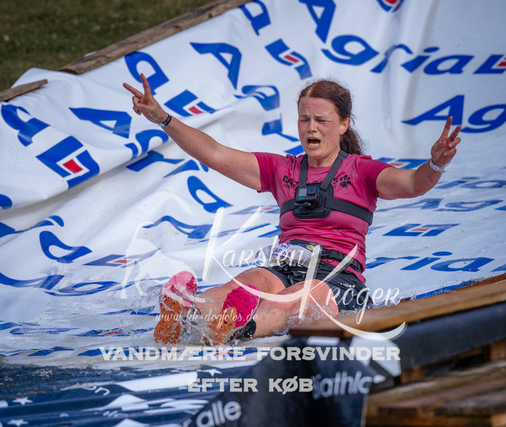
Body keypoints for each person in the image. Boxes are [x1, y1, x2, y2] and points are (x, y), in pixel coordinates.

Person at [124, 75, 461, 345]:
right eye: (304, 119)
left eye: (321, 120)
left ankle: (237, 330)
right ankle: (188, 314)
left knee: (296, 295)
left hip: (337, 281)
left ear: (343, 125)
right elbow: (214, 153)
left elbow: (413, 183)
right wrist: (163, 118)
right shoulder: (282, 169)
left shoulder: (362, 171)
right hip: (286, 267)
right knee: (252, 280)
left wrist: (435, 163)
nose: (311, 128)